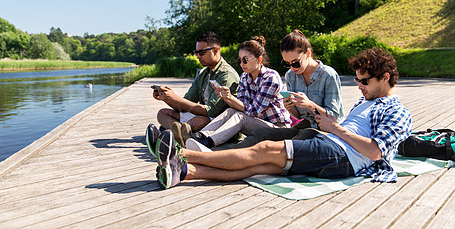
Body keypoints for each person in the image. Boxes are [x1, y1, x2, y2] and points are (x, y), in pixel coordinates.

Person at [147, 47, 413, 189]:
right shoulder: (366, 101)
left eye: (364, 80)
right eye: (356, 79)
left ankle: (182, 153)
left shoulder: (396, 111)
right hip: (332, 144)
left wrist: (335, 128)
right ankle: (184, 173)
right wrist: (319, 119)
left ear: (385, 78)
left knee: (263, 149)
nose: (358, 86)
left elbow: (376, 152)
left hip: (342, 154)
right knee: (258, 167)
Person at [228, 29, 345, 148]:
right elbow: (299, 116)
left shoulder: (328, 75)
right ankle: (226, 154)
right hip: (304, 126)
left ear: (308, 53)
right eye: (287, 63)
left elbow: (334, 116)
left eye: (295, 63)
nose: (292, 67)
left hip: (326, 130)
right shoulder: (291, 75)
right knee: (261, 134)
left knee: (287, 146)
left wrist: (310, 105)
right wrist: (290, 108)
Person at [178, 36, 291, 148]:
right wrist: (226, 97)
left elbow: (254, 111)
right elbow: (241, 106)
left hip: (278, 128)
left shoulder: (271, 78)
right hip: (257, 124)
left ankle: (209, 142)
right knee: (230, 110)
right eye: (239, 60)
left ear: (259, 60)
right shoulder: (244, 77)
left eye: (245, 60)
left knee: (240, 117)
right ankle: (200, 136)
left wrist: (231, 98)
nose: (242, 64)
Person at [152, 31, 240, 137]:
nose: (198, 56)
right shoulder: (203, 73)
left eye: (202, 53)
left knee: (195, 122)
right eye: (196, 52)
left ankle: (173, 133)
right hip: (202, 114)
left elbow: (212, 111)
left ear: (216, 51)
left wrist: (176, 98)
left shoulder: (226, 74)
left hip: (218, 118)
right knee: (162, 114)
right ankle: (180, 134)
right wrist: (167, 98)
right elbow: (185, 105)